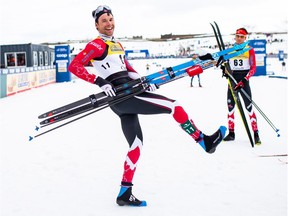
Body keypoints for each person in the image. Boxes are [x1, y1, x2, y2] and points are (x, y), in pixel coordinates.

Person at [68, 5, 226, 207]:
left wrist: (144, 82)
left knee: (136, 145)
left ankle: (125, 191)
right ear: (96, 25)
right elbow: (75, 65)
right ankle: (203, 141)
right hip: (120, 95)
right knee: (174, 106)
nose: (109, 23)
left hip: (128, 93)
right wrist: (99, 81)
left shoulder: (116, 44)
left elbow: (127, 68)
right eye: (104, 21)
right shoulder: (97, 45)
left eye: (111, 19)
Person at [222, 27, 261, 145]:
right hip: (232, 80)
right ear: (235, 36)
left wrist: (244, 80)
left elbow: (253, 68)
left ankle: (256, 134)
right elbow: (226, 65)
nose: (239, 38)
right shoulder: (230, 50)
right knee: (230, 108)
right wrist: (224, 70)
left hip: (244, 81)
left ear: (245, 38)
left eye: (242, 37)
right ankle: (231, 134)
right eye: (237, 36)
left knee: (249, 108)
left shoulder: (249, 50)